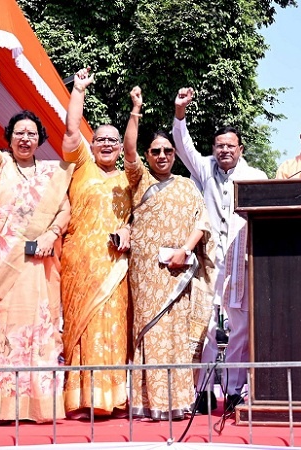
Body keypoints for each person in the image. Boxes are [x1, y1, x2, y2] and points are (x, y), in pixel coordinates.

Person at [0, 71, 72, 423]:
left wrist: (51, 234)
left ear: (40, 139)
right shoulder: (0, 167)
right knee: (2, 328)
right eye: (19, 134)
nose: (25, 139)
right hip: (4, 264)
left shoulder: (53, 173)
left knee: (39, 328)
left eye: (31, 134)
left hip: (39, 265)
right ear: (10, 139)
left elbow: (64, 208)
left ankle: (39, 406)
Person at [172, 87, 267, 412]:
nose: (224, 150)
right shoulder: (205, 169)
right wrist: (180, 112)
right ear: (213, 148)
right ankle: (204, 392)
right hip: (210, 263)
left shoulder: (256, 176)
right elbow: (183, 146)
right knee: (208, 329)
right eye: (219, 145)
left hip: (242, 262)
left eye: (230, 145)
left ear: (241, 149)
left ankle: (235, 391)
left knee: (240, 330)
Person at [124, 86, 215, 421]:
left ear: (175, 154)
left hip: (179, 272)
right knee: (148, 331)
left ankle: (177, 402)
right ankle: (148, 402)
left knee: (176, 335)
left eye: (167, 150)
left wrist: (184, 251)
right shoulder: (139, 180)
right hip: (147, 274)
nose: (161, 155)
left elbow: (202, 222)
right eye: (155, 151)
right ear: (148, 156)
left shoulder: (187, 185)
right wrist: (136, 110)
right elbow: (128, 149)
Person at [60, 67, 132, 419]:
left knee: (113, 327)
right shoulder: (82, 166)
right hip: (79, 266)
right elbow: (72, 129)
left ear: (120, 148)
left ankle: (113, 398)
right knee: (82, 328)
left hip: (116, 268)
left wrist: (130, 233)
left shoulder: (128, 179)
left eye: (112, 140)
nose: (106, 144)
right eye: (100, 139)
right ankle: (80, 398)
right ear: (92, 145)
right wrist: (78, 91)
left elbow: (138, 220)